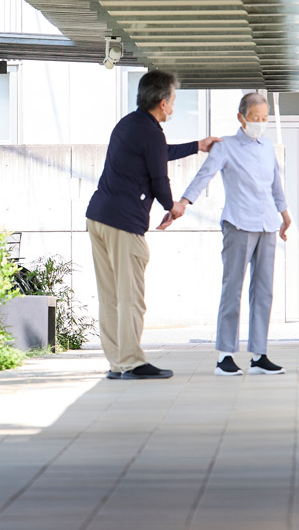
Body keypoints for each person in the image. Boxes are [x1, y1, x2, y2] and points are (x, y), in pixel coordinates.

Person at [85, 70, 219, 380]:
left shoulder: (130, 125)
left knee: (110, 296)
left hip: (98, 217)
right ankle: (132, 362)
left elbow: (159, 154)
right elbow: (159, 177)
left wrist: (198, 145)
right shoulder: (151, 132)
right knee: (130, 295)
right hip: (122, 223)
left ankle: (118, 363)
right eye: (173, 101)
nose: (173, 107)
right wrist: (172, 207)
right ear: (162, 102)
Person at [174, 92, 292, 376]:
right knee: (233, 288)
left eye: (264, 119)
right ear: (241, 118)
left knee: (263, 291)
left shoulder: (267, 148)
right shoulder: (226, 147)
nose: (260, 123)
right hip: (238, 224)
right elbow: (204, 175)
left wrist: (285, 216)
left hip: (267, 225)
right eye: (255, 118)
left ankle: (259, 354)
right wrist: (183, 203)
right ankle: (225, 355)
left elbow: (276, 184)